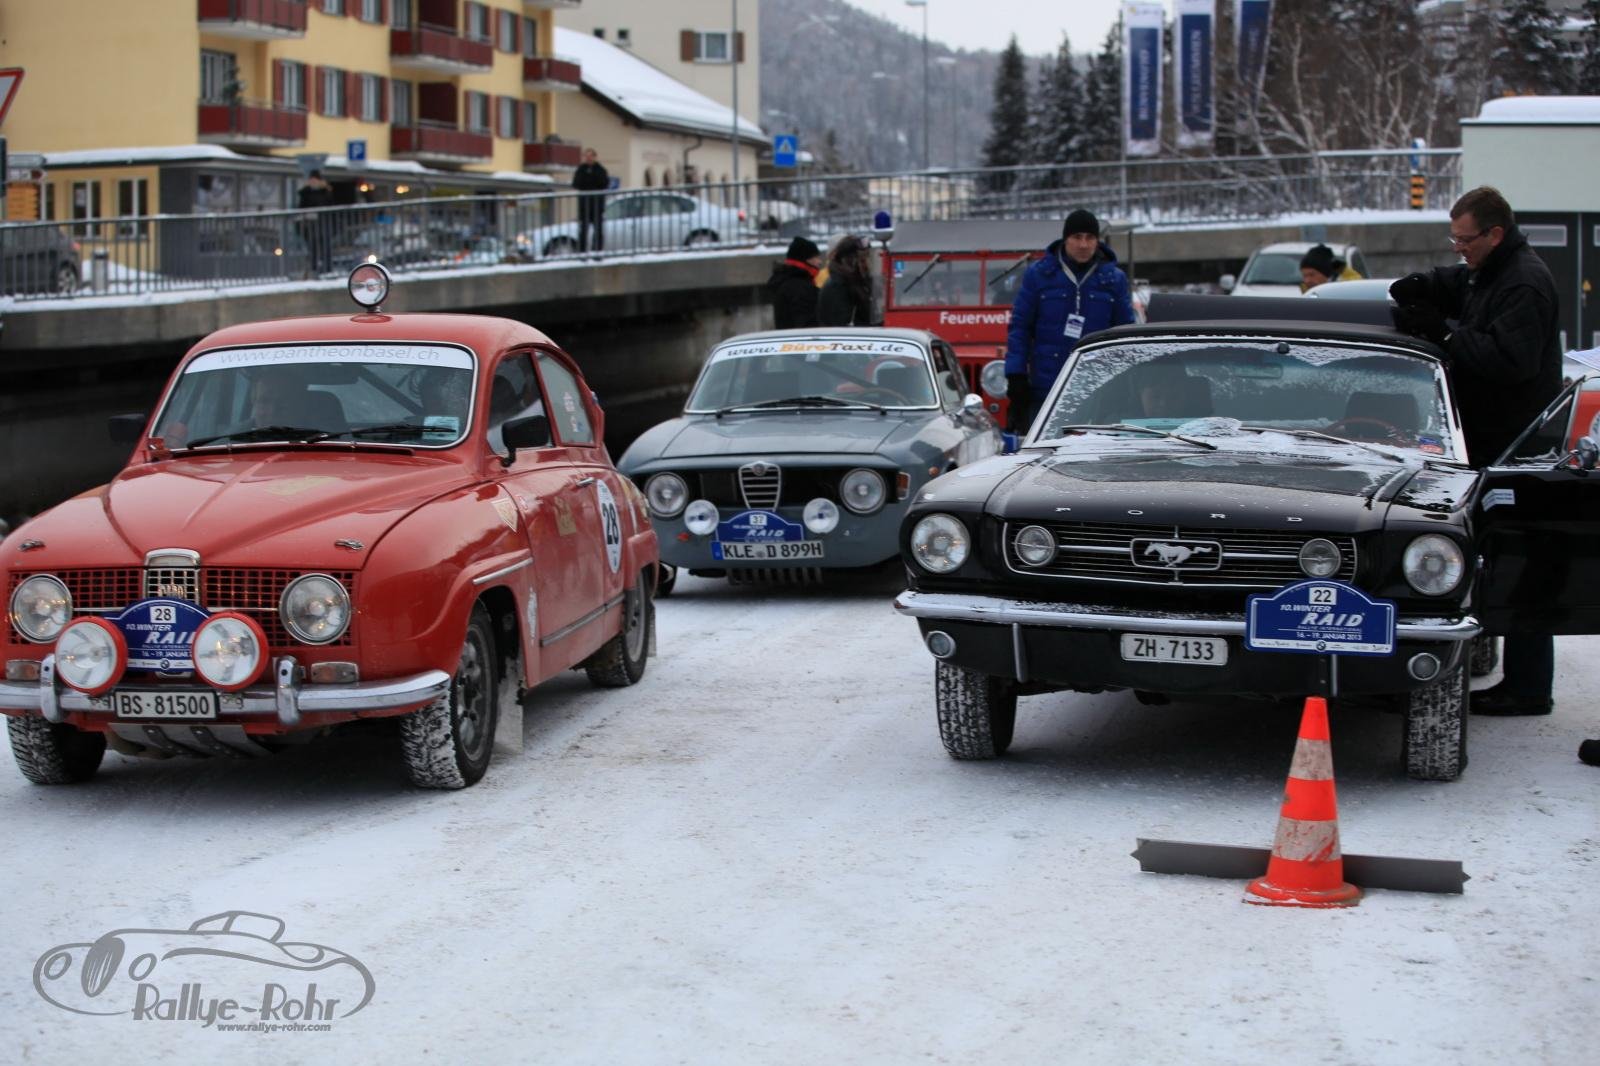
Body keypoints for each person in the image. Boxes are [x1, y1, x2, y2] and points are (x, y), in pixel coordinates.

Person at [1390, 185, 1563, 717]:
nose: (1459, 248)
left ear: (1495, 234)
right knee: (1491, 557)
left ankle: (1529, 689)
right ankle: (1505, 669)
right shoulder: (1490, 271)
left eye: (1465, 240)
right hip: (1491, 438)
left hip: (1517, 445)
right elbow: (1458, 282)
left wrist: (1444, 334)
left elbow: (1510, 361)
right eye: (1454, 239)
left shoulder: (1524, 283)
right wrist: (1425, 284)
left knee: (1521, 563)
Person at [1005, 209, 1137, 433]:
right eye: (1077, 237)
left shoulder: (1114, 280)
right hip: (1047, 386)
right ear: (1065, 239)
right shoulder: (1038, 275)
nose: (1083, 245)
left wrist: (1125, 379)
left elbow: (1125, 333)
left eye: (1090, 238)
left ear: (1097, 241)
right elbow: (1020, 328)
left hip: (1099, 387)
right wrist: (1016, 375)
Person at [817, 235, 876, 327]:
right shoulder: (838, 287)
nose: (866, 264)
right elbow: (841, 326)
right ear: (849, 261)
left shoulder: (857, 282)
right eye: (862, 260)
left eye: (869, 258)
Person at [767, 236, 822, 329]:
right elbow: (808, 325)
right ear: (807, 259)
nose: (820, 262)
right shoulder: (800, 287)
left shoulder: (787, 281)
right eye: (816, 257)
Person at [296, 170, 334, 275]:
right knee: (312, 246)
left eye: (315, 180)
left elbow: (330, 204)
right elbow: (301, 206)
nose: (313, 182)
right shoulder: (305, 192)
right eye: (312, 180)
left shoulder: (325, 191)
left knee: (325, 245)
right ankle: (314, 268)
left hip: (323, 221)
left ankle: (327, 269)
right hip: (311, 223)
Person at [572, 148, 610, 253]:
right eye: (586, 156)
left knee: (598, 230)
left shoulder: (600, 170)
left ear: (595, 157)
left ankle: (597, 251)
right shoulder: (581, 169)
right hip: (584, 205)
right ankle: (582, 252)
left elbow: (604, 184)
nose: (588, 158)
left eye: (590, 156)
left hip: (597, 205)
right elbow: (576, 184)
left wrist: (593, 176)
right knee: (583, 230)